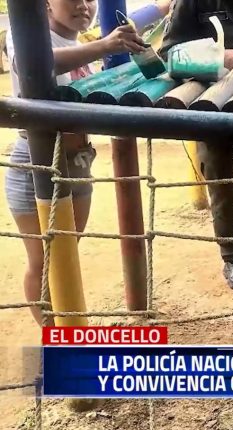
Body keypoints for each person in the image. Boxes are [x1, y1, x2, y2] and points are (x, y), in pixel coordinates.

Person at [4, 0, 143, 325]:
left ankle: (65, 332)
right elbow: (34, 62)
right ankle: (55, 338)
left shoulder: (78, 43)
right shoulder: (27, 31)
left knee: (65, 255)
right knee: (44, 262)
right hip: (36, 165)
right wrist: (103, 46)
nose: (84, 5)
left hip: (78, 162)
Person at [160, 0, 233, 291]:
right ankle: (232, 258)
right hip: (215, 103)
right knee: (222, 183)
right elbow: (169, 55)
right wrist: (217, 57)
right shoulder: (190, 2)